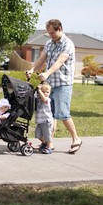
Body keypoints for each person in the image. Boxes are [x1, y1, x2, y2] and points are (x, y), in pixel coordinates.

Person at [26, 19, 82, 154]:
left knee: (62, 113)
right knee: (49, 116)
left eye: (52, 33)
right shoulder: (49, 43)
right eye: (49, 33)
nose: (51, 35)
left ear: (60, 29)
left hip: (63, 83)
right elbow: (41, 59)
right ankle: (48, 143)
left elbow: (59, 62)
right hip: (49, 85)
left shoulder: (68, 44)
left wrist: (46, 73)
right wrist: (32, 70)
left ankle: (76, 139)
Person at [35, 82, 54, 154]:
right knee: (38, 135)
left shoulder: (47, 99)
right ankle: (44, 143)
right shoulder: (38, 99)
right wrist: (38, 90)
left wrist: (40, 91)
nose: (45, 93)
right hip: (40, 121)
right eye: (43, 92)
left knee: (47, 135)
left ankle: (49, 148)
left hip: (46, 121)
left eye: (47, 92)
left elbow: (44, 99)